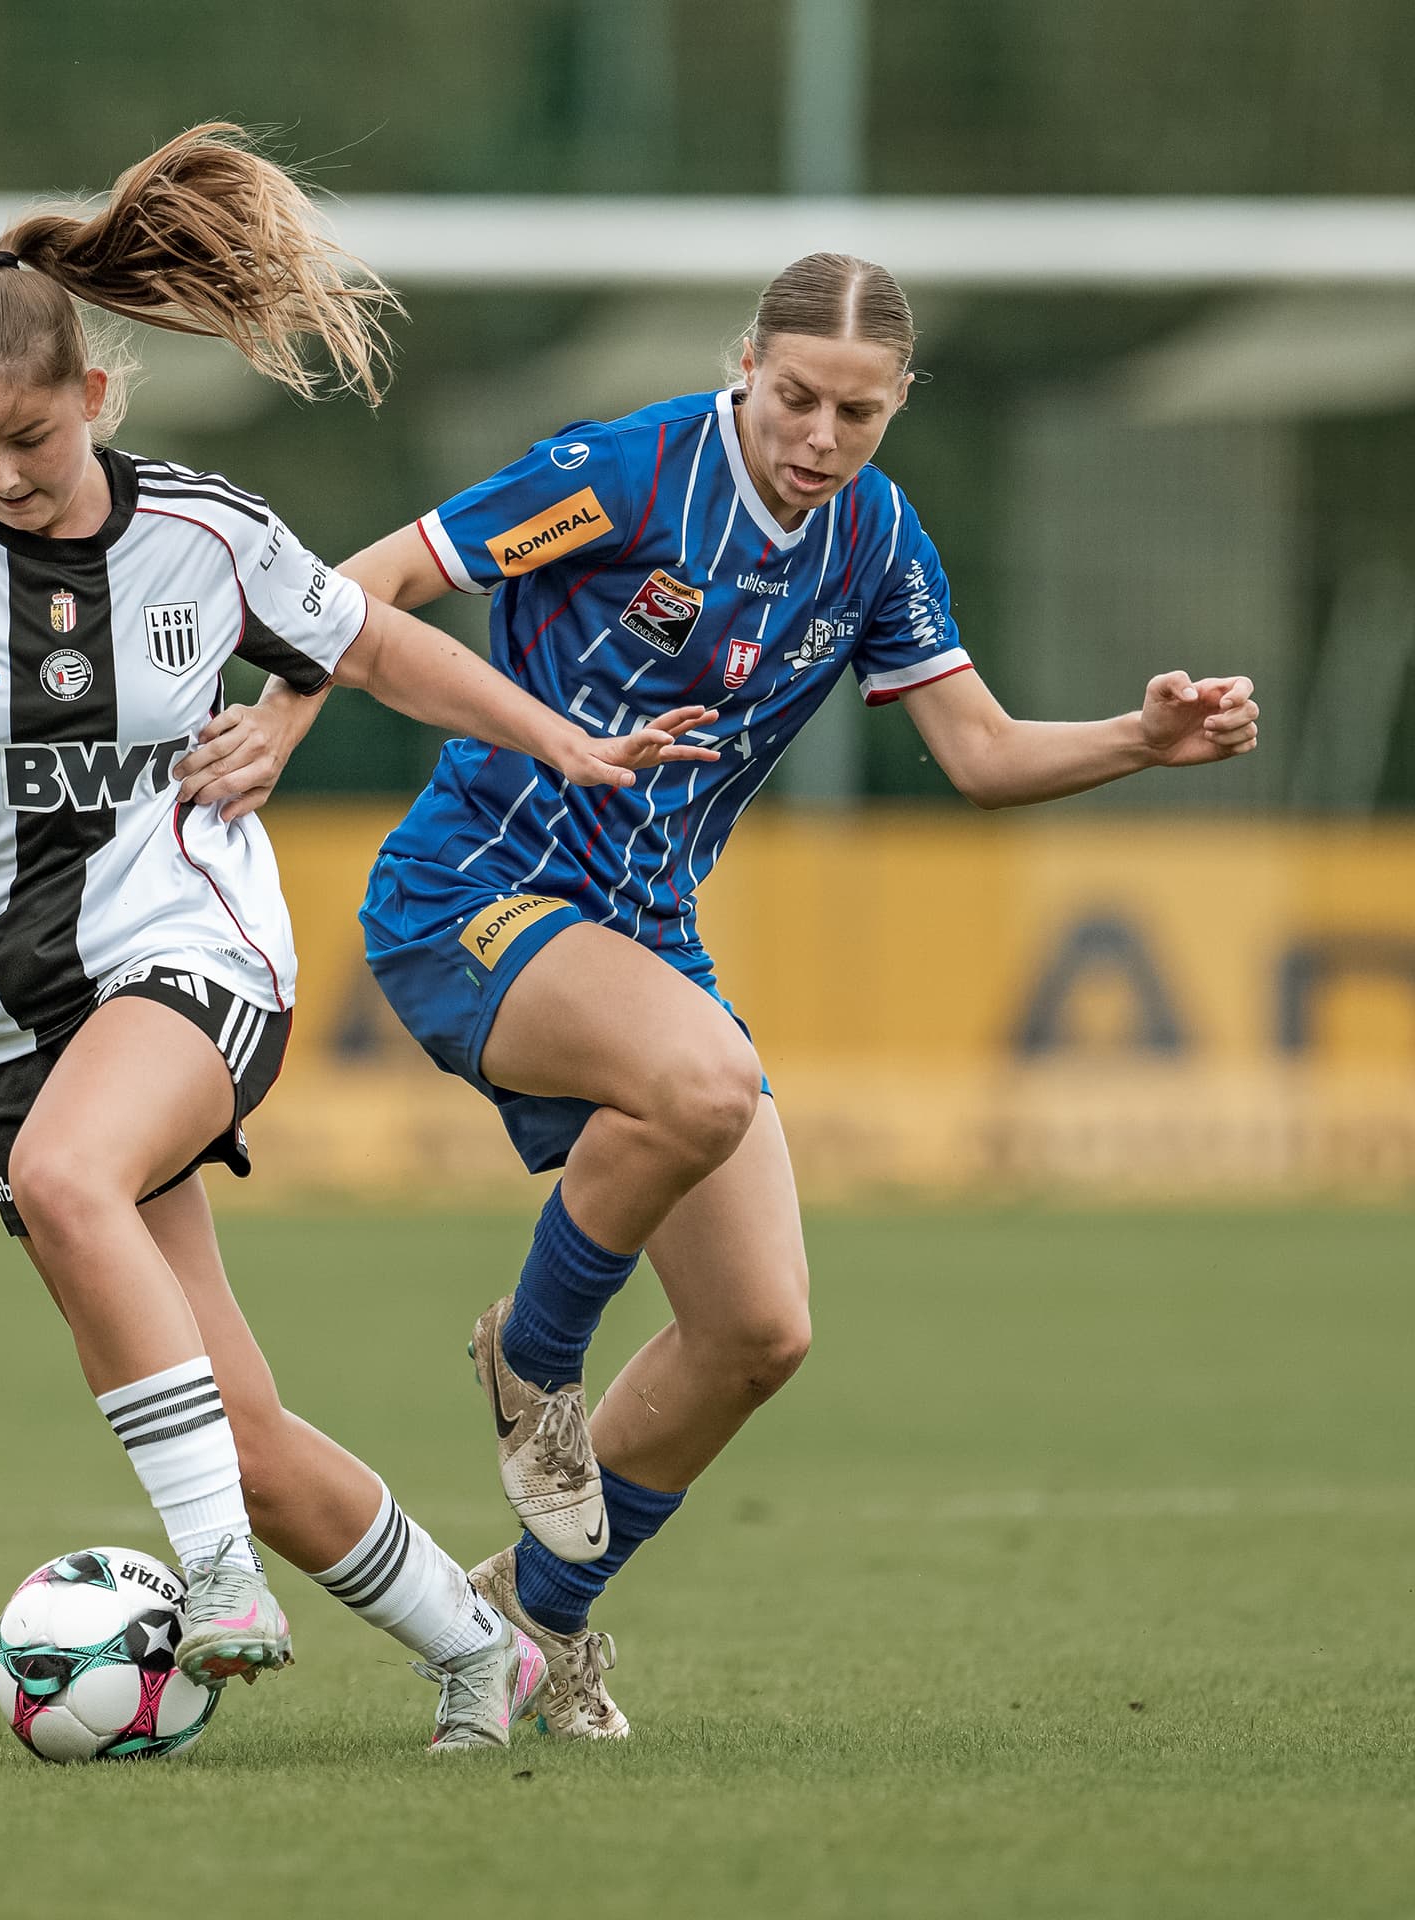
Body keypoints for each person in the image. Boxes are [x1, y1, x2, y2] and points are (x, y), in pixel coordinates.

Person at [0, 125, 713, 1749]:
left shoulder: (204, 528)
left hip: (195, 955)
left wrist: (567, 740)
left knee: (72, 1183)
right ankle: (488, 1657)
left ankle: (209, 1583)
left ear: (98, 399)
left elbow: (385, 653)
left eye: (31, 441)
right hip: (4, 1019)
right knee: (242, 1433)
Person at [190, 251, 1260, 1740]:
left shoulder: (877, 542)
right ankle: (533, 1356)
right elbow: (371, 582)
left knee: (759, 1333)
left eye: (861, 415)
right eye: (801, 399)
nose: (822, 439)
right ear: (746, 362)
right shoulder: (625, 475)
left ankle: (529, 1625)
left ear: (895, 411)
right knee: (697, 1085)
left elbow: (983, 754)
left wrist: (1140, 745)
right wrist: (280, 719)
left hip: (640, 938)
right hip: (471, 895)